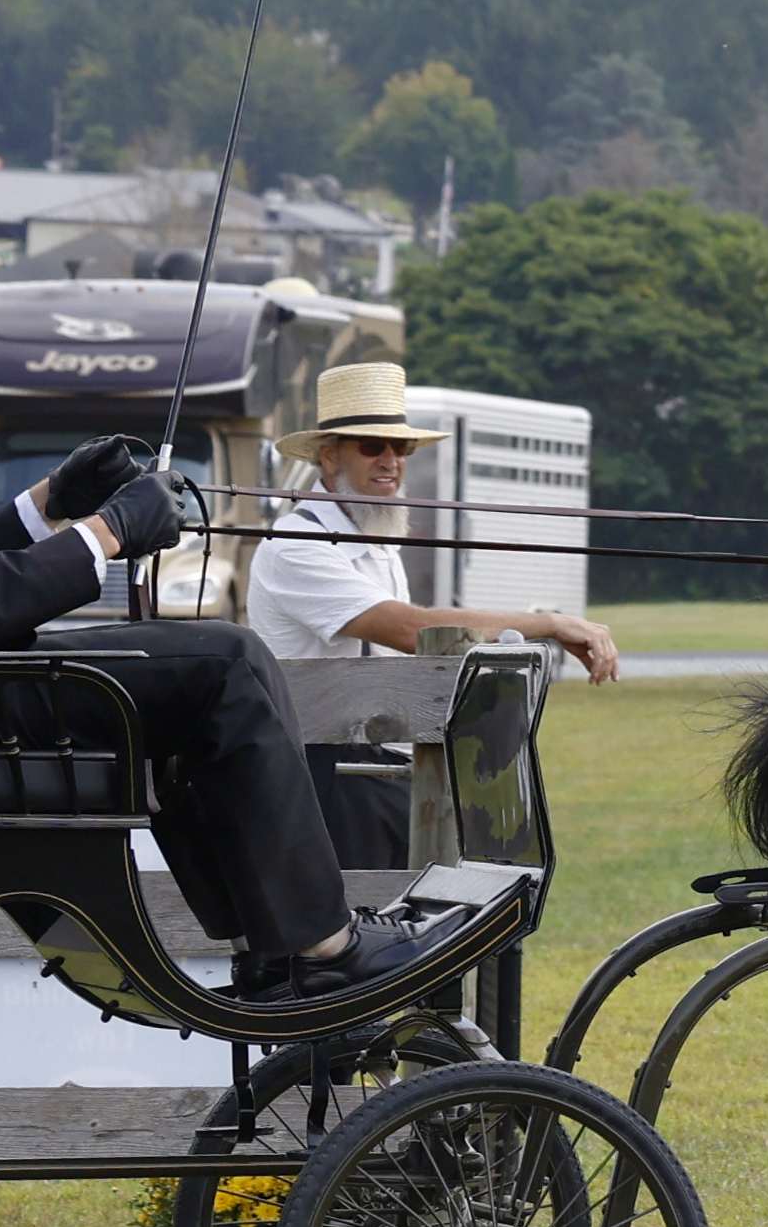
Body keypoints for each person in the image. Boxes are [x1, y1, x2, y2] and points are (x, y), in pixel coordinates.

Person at [0, 196, 453, 1000]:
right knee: (226, 662)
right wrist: (112, 531)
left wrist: (50, 502)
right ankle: (321, 946)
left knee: (208, 672)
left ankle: (279, 941)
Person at [245, 363, 619, 865]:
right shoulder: (295, 544)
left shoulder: (373, 544)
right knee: (407, 911)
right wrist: (550, 622)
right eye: (373, 446)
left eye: (401, 449)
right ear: (330, 457)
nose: (391, 462)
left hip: (385, 757)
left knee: (487, 887)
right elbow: (414, 631)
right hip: (327, 769)